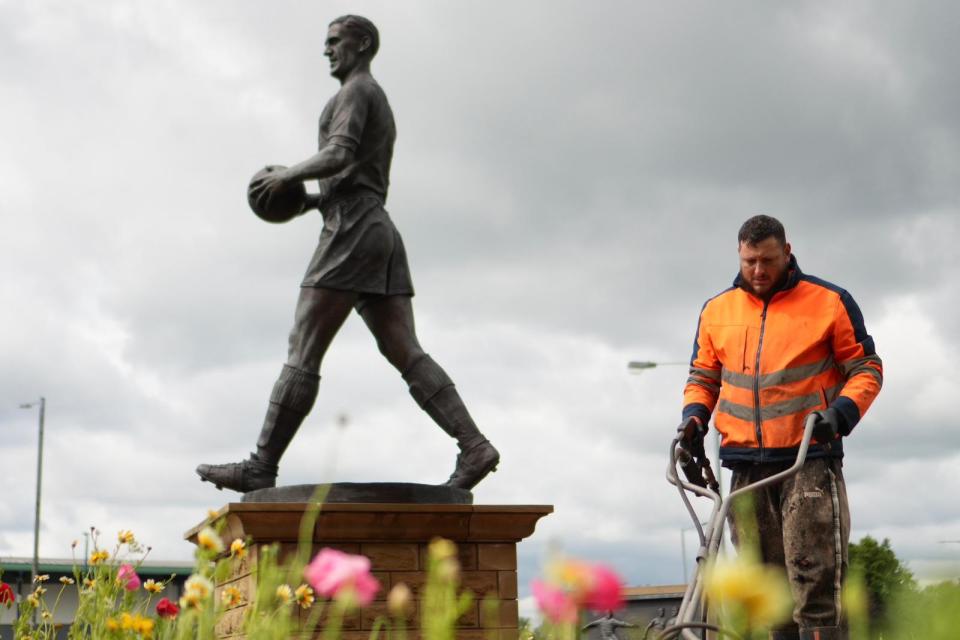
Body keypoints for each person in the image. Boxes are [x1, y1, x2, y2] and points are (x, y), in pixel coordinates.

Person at [197, 15, 499, 493]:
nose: (327, 51)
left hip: (353, 228)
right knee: (404, 350)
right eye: (327, 43)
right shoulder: (365, 95)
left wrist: (287, 177)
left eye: (335, 42)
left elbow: (340, 154)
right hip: (373, 226)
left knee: (304, 345)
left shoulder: (357, 92)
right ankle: (474, 445)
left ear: (363, 44)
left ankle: (261, 465)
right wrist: (312, 200)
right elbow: (353, 172)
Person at [679, 215, 882, 640]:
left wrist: (841, 413)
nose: (758, 270)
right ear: (739, 255)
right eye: (750, 260)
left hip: (808, 461)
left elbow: (866, 368)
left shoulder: (829, 302)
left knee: (815, 583)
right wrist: (693, 419)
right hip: (745, 467)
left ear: (787, 253)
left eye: (767, 260)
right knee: (764, 590)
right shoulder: (717, 311)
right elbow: (703, 377)